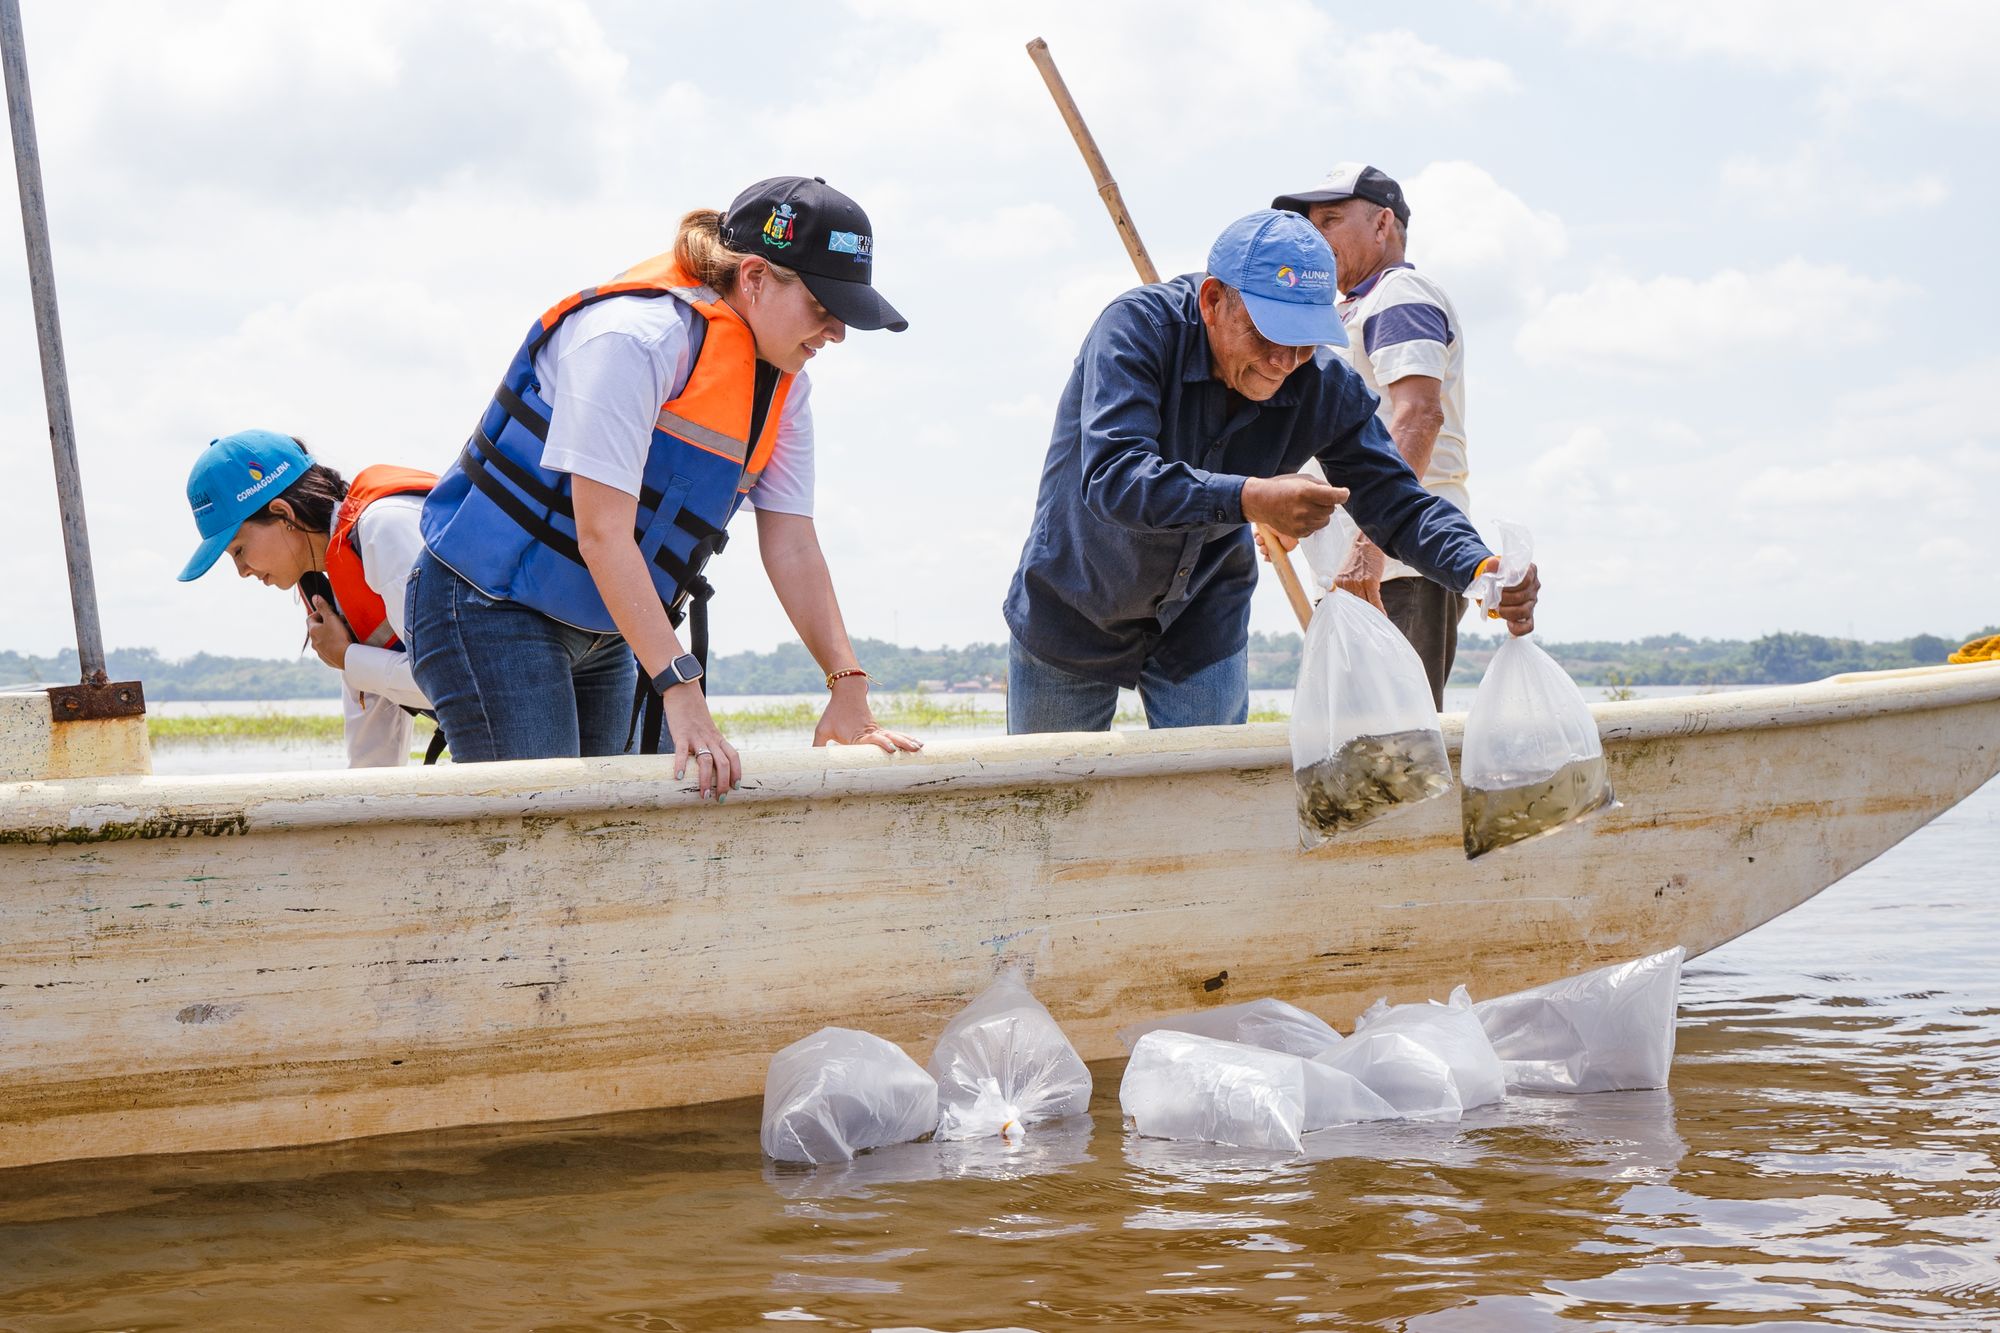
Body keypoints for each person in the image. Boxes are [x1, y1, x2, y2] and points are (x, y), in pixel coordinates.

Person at [411, 176, 918, 792]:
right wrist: (681, 689)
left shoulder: (787, 383)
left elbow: (792, 541)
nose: (837, 332)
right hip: (490, 601)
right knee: (541, 825)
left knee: (614, 831)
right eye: (823, 308)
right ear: (755, 278)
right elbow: (602, 535)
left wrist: (849, 689)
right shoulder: (633, 338)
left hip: (608, 627)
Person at [1003, 209, 1538, 734]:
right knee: (1044, 803)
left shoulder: (1323, 383)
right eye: (1269, 335)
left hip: (1201, 616)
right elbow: (1115, 478)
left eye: (1304, 339)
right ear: (1214, 301)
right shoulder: (1138, 330)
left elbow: (1397, 502)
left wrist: (1478, 567)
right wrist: (1249, 498)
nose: (1285, 362)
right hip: (1075, 603)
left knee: (1213, 800)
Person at [1274, 164, 1471, 708]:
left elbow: (1417, 416)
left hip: (1397, 569)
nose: (1316, 239)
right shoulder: (1346, 314)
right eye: (1311, 227)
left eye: (1332, 220)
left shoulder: (1398, 294)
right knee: (1363, 753)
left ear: (1383, 224)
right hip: (1358, 575)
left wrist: (1369, 551)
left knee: (1395, 747)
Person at [177, 429, 437, 767]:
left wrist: (348, 658)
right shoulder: (332, 591)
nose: (242, 570)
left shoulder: (383, 533)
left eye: (239, 550)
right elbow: (372, 754)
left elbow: (460, 682)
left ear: (284, 514)